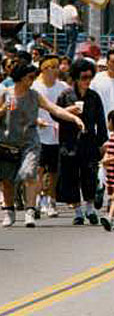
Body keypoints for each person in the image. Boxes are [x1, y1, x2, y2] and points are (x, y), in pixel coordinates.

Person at [0, 63, 84, 228]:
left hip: (29, 142)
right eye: (30, 77)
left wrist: (74, 118)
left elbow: (54, 109)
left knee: (29, 174)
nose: (32, 81)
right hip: (7, 142)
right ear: (20, 77)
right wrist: (2, 110)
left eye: (33, 77)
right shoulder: (6, 94)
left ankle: (30, 211)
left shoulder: (34, 96)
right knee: (7, 180)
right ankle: (9, 211)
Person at [56, 58, 108, 226]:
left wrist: (103, 143)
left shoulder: (94, 97)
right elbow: (54, 113)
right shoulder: (65, 95)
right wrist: (67, 111)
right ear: (76, 78)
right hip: (69, 142)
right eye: (83, 77)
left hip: (89, 142)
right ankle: (77, 211)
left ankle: (90, 208)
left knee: (89, 176)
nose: (87, 81)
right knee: (70, 177)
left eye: (89, 77)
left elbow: (101, 121)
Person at [31, 54, 68, 218]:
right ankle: (39, 199)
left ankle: (51, 199)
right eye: (50, 67)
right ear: (43, 69)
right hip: (39, 133)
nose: (54, 70)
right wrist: (36, 120)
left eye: (56, 67)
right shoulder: (34, 87)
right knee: (39, 169)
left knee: (53, 171)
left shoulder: (63, 87)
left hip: (58, 134)